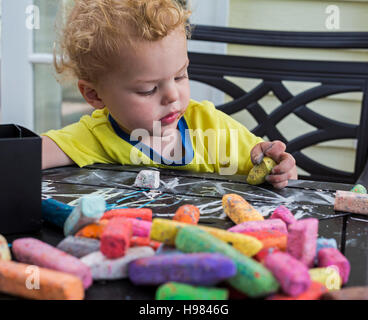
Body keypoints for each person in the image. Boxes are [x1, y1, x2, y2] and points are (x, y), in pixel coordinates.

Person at [42, 0, 297, 189]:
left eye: (180, 76)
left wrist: (281, 169)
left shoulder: (210, 128)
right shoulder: (94, 137)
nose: (172, 96)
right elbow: (24, 156)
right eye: (148, 89)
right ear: (94, 95)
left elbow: (281, 178)